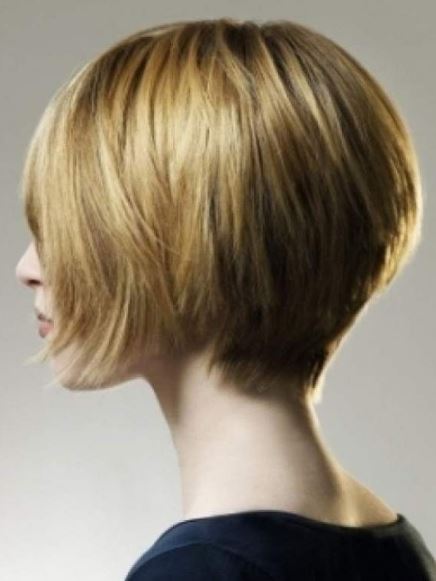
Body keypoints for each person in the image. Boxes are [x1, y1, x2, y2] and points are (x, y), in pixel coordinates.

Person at [15, 16, 435, 581]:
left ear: (192, 247)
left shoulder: (199, 572)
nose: (27, 269)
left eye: (61, 231)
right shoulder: (396, 550)